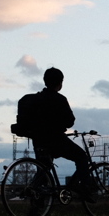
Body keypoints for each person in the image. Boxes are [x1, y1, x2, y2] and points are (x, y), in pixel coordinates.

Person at [14, 67, 93, 196]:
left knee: (44, 170)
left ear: (45, 81)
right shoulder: (60, 100)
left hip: (38, 141)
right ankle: (84, 188)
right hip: (56, 140)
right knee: (82, 157)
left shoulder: (34, 99)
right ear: (60, 83)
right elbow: (70, 121)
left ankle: (36, 207)